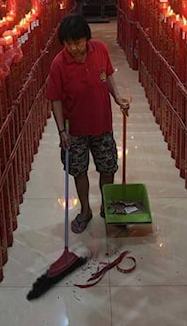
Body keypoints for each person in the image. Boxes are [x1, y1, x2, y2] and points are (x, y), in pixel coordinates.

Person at [46, 14, 130, 233]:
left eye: (78, 42)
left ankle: (106, 205)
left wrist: (117, 97)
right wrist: (62, 131)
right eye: (69, 44)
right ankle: (85, 210)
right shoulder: (58, 64)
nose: (74, 48)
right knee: (79, 171)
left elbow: (108, 75)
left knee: (108, 167)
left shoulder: (100, 49)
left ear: (87, 38)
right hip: (75, 130)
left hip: (102, 124)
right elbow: (55, 99)